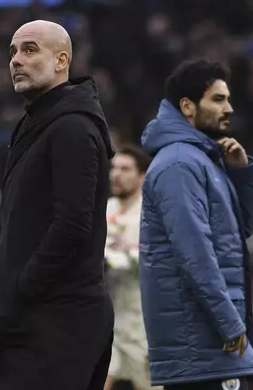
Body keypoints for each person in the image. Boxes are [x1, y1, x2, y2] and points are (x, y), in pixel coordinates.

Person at [0, 20, 115, 390]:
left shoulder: (73, 129)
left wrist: (24, 287)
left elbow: (72, 224)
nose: (17, 60)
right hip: (30, 324)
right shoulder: (37, 125)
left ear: (61, 61)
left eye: (30, 50)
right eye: (13, 53)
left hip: (55, 327)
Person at [139, 58, 253, 390]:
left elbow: (243, 231)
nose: (230, 108)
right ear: (188, 107)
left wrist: (241, 173)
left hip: (210, 343)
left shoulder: (202, 158)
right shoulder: (180, 163)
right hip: (203, 345)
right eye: (218, 99)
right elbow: (194, 252)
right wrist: (229, 323)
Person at [102, 145, 159, 390]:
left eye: (125, 169)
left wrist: (134, 248)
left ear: (142, 176)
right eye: (114, 168)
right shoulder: (106, 209)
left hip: (144, 323)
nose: (116, 174)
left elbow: (169, 259)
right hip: (111, 318)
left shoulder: (154, 213)